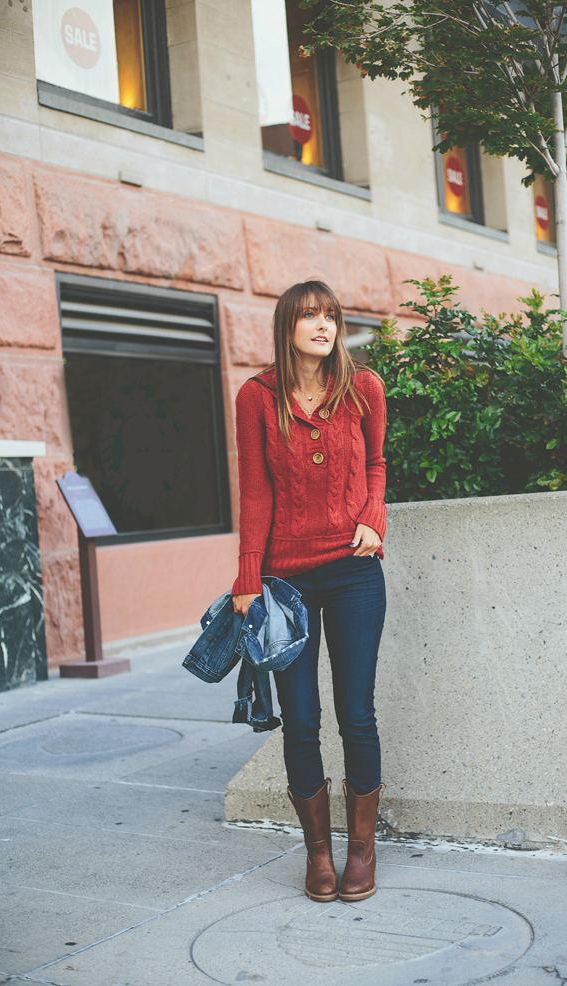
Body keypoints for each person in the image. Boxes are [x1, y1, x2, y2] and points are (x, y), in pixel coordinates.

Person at [232, 279, 387, 903]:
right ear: (287, 326)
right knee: (300, 720)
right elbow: (254, 490)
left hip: (354, 571)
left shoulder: (363, 388)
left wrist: (373, 516)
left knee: (357, 712)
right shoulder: (256, 396)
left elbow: (376, 463)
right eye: (309, 316)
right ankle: (318, 854)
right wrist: (248, 577)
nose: (323, 325)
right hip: (285, 580)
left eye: (330, 316)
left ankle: (362, 852)